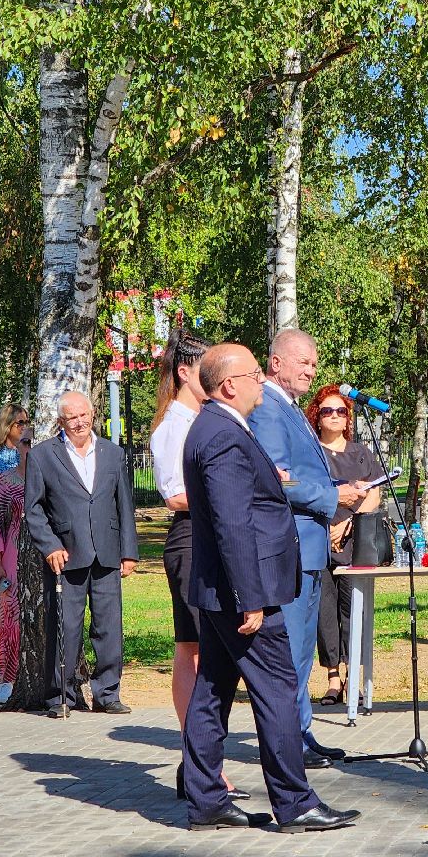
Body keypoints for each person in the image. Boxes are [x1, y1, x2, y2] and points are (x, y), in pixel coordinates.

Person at [180, 343, 360, 833]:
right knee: (278, 688)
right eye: (255, 374)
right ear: (229, 385)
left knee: (212, 692)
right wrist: (251, 598)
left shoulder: (221, 427)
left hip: (224, 589)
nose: (262, 380)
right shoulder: (220, 434)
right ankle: (295, 802)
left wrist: (270, 478)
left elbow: (243, 498)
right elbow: (232, 522)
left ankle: (205, 799)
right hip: (242, 591)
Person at [248, 329, 365, 768]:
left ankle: (300, 731)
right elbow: (280, 480)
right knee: (291, 650)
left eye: (314, 363)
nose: (311, 370)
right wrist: (334, 498)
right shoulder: (269, 410)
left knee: (300, 652)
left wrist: (343, 489)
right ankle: (286, 741)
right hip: (292, 545)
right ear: (275, 362)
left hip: (312, 548)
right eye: (302, 361)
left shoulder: (290, 409)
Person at [149, 329, 249, 797]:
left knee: (201, 648)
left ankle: (203, 762)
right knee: (193, 649)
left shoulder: (201, 418)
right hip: (190, 541)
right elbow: (173, 495)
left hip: (205, 538)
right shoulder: (176, 424)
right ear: (185, 371)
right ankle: (200, 761)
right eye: (205, 366)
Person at [23, 391, 138, 716]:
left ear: (92, 414)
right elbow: (33, 511)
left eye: (84, 415)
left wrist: (128, 552)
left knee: (108, 627)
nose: (79, 422)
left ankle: (108, 694)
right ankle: (61, 696)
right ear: (61, 421)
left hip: (107, 554)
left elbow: (124, 506)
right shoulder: (44, 455)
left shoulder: (112, 453)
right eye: (72, 417)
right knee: (65, 627)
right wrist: (50, 546)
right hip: (65, 556)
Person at [307, 386, 383, 705]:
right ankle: (333, 678)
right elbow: (300, 491)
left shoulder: (360, 453)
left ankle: (354, 676)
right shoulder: (309, 453)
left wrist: (349, 521)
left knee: (354, 609)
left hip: (355, 543)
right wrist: (328, 527)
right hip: (318, 541)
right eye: (328, 411)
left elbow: (375, 494)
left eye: (341, 411)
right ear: (317, 416)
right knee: (324, 610)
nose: (335, 416)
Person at [0, 425, 32, 708]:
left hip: (47, 558)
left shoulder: (55, 480)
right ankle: (8, 678)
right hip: (11, 558)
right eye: (25, 442)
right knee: (10, 618)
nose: (30, 449)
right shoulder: (4, 481)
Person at [0, 404, 29, 488]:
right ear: (6, 425)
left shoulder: (30, 457)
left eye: (26, 422)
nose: (24, 427)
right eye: (20, 423)